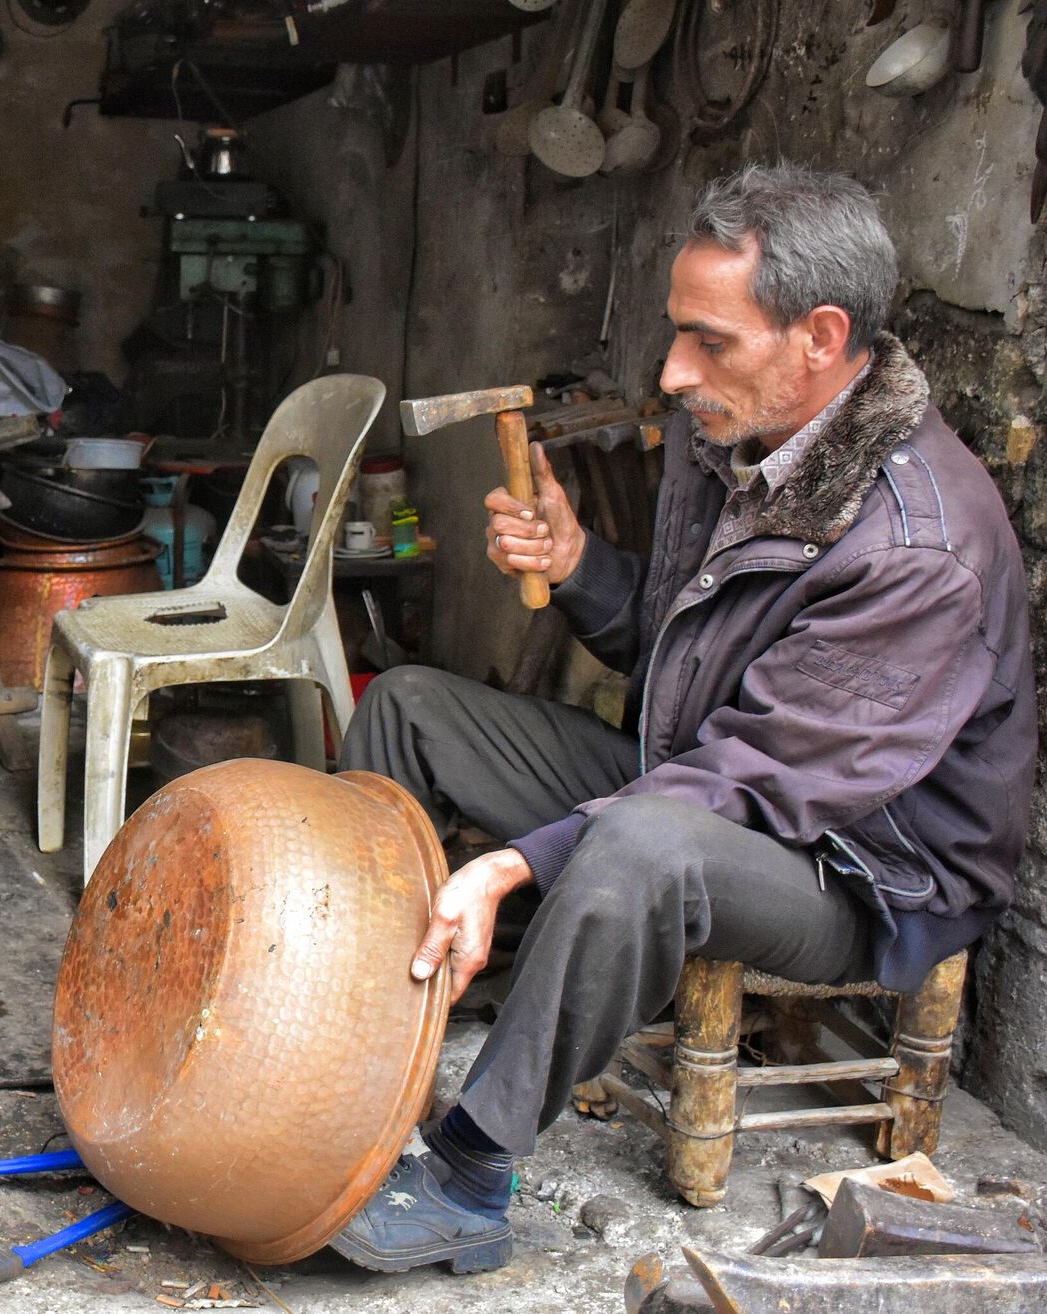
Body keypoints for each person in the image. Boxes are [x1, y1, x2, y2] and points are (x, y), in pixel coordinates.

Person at [328, 163, 1035, 1274]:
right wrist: (576, 568)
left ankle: (466, 1177)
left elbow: (752, 778)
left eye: (712, 341)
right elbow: (677, 661)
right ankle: (368, 1019)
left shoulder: (918, 545)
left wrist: (518, 860)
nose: (672, 371)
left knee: (638, 845)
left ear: (821, 334)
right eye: (677, 333)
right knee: (412, 710)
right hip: (711, 778)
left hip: (855, 872)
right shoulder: (736, 439)